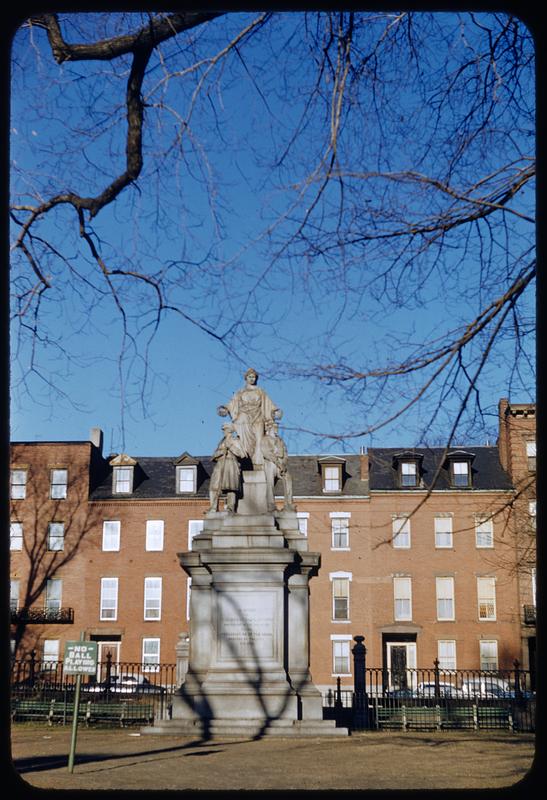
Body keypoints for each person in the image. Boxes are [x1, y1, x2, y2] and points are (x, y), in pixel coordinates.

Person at [217, 369, 282, 469]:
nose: (252, 379)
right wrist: (225, 408)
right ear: (246, 378)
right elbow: (232, 404)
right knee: (243, 437)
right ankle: (245, 460)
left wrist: (275, 411)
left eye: (253, 377)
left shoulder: (260, 391)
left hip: (257, 417)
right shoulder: (240, 392)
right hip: (243, 417)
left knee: (259, 440)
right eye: (250, 377)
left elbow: (268, 404)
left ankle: (258, 463)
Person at [208, 424, 246, 513]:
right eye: (223, 430)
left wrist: (231, 447)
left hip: (231, 464)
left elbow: (242, 454)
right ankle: (213, 507)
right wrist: (221, 452)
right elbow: (213, 456)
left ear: (229, 430)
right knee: (213, 486)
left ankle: (230, 507)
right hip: (220, 464)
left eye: (225, 430)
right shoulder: (221, 442)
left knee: (230, 487)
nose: (223, 432)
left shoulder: (235, 441)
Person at [261, 420, 295, 512]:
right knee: (269, 480)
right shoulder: (264, 439)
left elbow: (285, 453)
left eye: (276, 427)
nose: (276, 429)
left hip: (280, 463)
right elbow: (266, 453)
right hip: (270, 462)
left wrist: (283, 464)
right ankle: (270, 504)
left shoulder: (280, 440)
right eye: (274, 427)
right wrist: (277, 463)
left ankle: (288, 503)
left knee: (288, 478)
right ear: (268, 428)